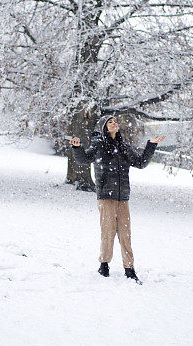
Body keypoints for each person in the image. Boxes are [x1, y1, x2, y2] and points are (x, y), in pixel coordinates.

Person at [70, 115, 165, 284]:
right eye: (110, 122)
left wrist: (151, 145)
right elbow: (83, 159)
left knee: (125, 234)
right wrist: (77, 148)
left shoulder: (123, 146)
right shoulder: (99, 145)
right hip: (106, 196)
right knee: (108, 232)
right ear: (104, 127)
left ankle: (129, 269)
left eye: (115, 121)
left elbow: (141, 162)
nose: (114, 124)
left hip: (123, 197)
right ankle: (104, 264)